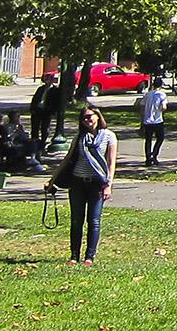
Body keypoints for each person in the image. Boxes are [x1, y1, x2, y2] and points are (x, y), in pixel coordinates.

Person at [46, 107, 116, 265]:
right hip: (77, 182)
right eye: (84, 118)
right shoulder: (79, 137)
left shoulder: (109, 136)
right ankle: (74, 255)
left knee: (94, 220)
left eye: (89, 116)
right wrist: (52, 180)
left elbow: (111, 163)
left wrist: (108, 185)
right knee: (76, 220)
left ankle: (89, 256)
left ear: (98, 116)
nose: (87, 120)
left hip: (97, 183)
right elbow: (67, 159)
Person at [138, 84, 168, 166]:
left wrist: (143, 117)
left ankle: (148, 158)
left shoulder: (148, 94)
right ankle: (154, 155)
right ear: (161, 85)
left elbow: (142, 105)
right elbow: (164, 107)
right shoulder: (162, 94)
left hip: (147, 120)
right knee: (160, 138)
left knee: (148, 140)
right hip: (158, 120)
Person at [29, 73, 60, 150]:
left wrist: (52, 112)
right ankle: (35, 144)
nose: (47, 81)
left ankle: (42, 144)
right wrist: (32, 109)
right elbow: (35, 99)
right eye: (46, 79)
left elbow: (56, 103)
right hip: (37, 110)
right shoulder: (41, 88)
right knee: (35, 128)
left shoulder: (55, 90)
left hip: (46, 112)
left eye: (49, 79)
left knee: (44, 129)